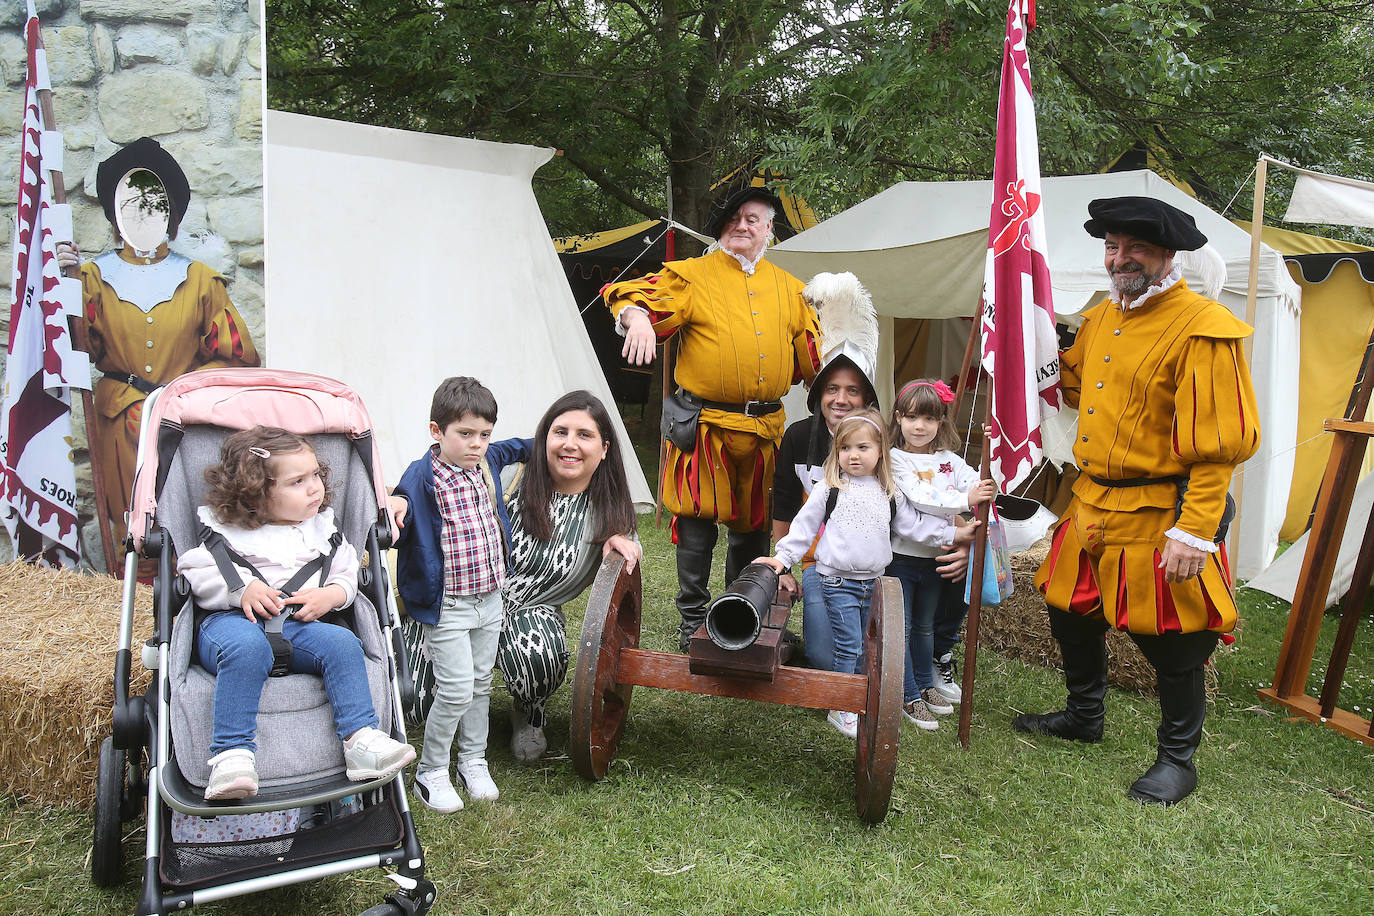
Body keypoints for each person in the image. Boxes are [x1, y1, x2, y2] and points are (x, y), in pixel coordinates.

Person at [1017, 196, 1260, 806]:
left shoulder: (1202, 327)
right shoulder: (1102, 318)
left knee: (1172, 639)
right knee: (1067, 609)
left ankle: (1178, 759)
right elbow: (1069, 381)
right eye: (1112, 247)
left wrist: (1196, 530)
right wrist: (1014, 356)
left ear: (1166, 255)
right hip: (1092, 501)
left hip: (1160, 512)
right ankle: (1084, 715)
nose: (1120, 259)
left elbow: (1217, 448)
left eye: (1135, 249)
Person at [605, 186, 820, 651]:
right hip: (704, 425)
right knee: (696, 521)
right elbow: (629, 296)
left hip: (765, 429)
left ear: (770, 230)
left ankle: (740, 610)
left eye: (753, 219)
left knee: (753, 525)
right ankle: (691, 622)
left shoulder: (793, 289)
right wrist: (637, 318)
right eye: (733, 218)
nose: (742, 226)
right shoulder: (691, 277)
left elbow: (812, 359)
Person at [391, 390, 640, 768]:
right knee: (416, 707)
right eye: (560, 432)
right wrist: (403, 498)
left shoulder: (609, 511)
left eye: (584, 435)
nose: (570, 444)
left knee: (537, 655)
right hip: (457, 601)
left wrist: (621, 536)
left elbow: (621, 583)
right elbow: (435, 467)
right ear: (544, 439)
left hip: (530, 612)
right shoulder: (507, 474)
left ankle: (529, 710)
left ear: (604, 449)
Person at [177, 427, 416, 801]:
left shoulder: (322, 531)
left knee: (342, 642)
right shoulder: (227, 531)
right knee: (246, 649)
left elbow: (347, 572)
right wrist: (240, 590)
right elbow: (194, 571)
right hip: (231, 627)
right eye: (297, 481)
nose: (314, 488)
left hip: (300, 625)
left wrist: (332, 596)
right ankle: (232, 755)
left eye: (316, 475)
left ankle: (361, 740)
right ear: (255, 492)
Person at [57, 137, 260, 562]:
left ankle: (186, 596)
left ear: (172, 213)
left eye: (154, 203)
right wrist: (63, 287)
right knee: (126, 516)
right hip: (119, 422)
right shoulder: (91, 277)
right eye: (131, 204)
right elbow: (72, 349)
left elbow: (236, 359)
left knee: (183, 514)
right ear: (116, 214)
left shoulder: (201, 280)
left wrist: (187, 394)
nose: (143, 213)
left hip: (180, 422)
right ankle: (126, 597)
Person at [771, 272, 971, 674]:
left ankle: (930, 661)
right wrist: (785, 567)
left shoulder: (886, 450)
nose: (841, 399)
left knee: (885, 640)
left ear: (866, 399)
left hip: (880, 564)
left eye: (852, 391)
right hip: (821, 567)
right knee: (826, 661)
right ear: (818, 394)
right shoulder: (797, 438)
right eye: (831, 389)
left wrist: (960, 535)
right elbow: (788, 509)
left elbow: (921, 497)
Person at [757, 409, 976, 740]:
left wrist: (953, 536)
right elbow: (803, 528)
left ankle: (857, 698)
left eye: (862, 448)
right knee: (849, 646)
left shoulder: (887, 492)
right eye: (845, 448)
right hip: (838, 582)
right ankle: (841, 707)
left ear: (879, 452)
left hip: (873, 584)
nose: (853, 455)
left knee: (865, 646)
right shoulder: (829, 489)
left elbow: (914, 527)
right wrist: (783, 559)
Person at [390, 378, 507, 813]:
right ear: (437, 431)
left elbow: (517, 446)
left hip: (490, 599)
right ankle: (431, 769)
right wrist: (398, 503)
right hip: (450, 606)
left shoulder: (485, 462)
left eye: (484, 435)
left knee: (480, 685)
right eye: (465, 434)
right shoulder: (424, 476)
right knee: (456, 689)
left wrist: (557, 434)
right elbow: (401, 497)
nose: (477, 444)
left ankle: (472, 759)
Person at [885, 379, 995, 729]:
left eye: (930, 419)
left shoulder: (949, 461)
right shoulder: (894, 459)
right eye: (913, 417)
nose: (921, 427)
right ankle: (907, 694)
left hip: (935, 557)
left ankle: (922, 681)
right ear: (899, 418)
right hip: (901, 560)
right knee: (901, 628)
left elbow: (975, 482)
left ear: (941, 422)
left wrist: (992, 461)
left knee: (923, 627)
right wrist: (966, 502)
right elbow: (919, 496)